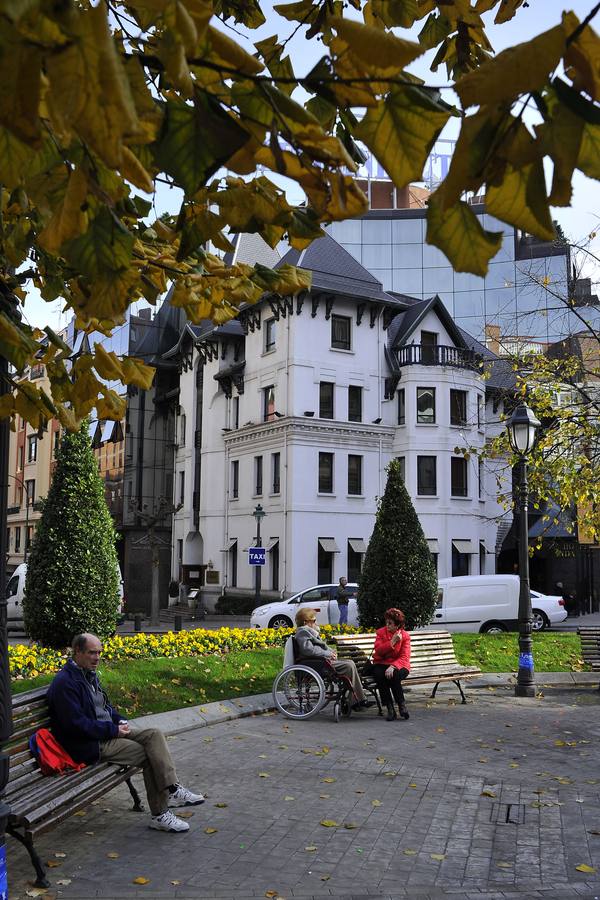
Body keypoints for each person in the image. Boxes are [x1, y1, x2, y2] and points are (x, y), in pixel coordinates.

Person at [47, 633, 205, 833]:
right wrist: (113, 730)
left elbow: (106, 708)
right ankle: (160, 814)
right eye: (91, 653)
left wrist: (119, 720)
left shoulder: (88, 675)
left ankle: (173, 788)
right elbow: (76, 725)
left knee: (154, 734)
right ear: (77, 652)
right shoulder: (66, 683)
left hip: (107, 732)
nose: (97, 658)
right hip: (89, 744)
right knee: (150, 755)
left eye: (99, 653)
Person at [294, 608, 373, 710]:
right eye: (313, 620)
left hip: (321, 661)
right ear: (305, 622)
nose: (316, 622)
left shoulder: (308, 632)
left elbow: (317, 648)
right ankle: (357, 700)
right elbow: (309, 651)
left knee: (350, 663)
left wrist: (331, 652)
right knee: (348, 665)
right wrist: (328, 654)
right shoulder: (303, 632)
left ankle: (356, 699)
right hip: (317, 664)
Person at [370, 608, 411, 721]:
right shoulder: (381, 632)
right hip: (382, 663)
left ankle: (402, 706)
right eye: (386, 622)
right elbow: (378, 651)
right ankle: (390, 708)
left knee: (395, 675)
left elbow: (404, 657)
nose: (387, 625)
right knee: (379, 675)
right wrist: (392, 642)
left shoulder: (405, 636)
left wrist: (393, 666)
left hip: (400, 664)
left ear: (397, 625)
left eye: (390, 623)